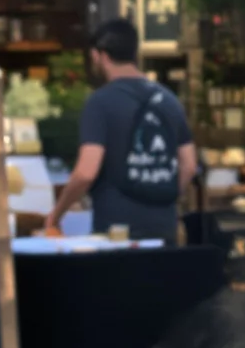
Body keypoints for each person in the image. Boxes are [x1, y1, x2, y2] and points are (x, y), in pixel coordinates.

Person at [45, 18, 196, 242]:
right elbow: (189, 165)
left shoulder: (100, 103)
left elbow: (86, 172)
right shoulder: (169, 100)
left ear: (100, 55)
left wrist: (56, 214)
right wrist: (163, 198)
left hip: (117, 232)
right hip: (164, 228)